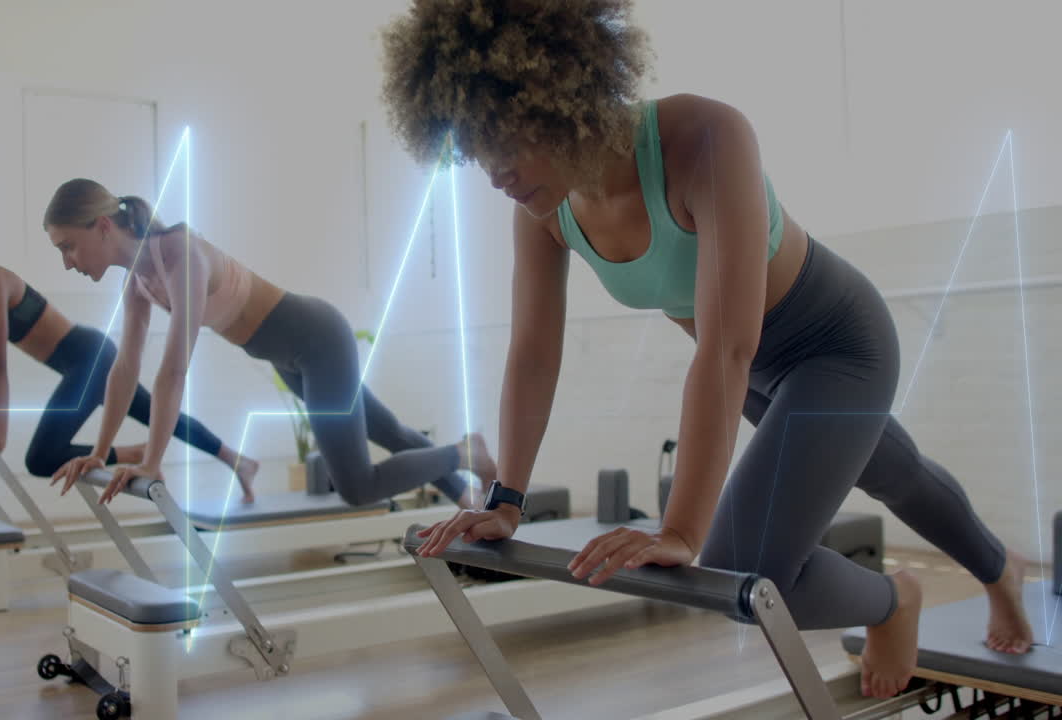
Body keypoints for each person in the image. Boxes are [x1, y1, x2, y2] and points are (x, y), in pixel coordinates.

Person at [381, 0, 1034, 699]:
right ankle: (999, 569)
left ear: (558, 95)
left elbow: (725, 347)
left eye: (502, 141)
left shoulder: (704, 138)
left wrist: (682, 530)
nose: (493, 173)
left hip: (838, 347)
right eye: (475, 151)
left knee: (741, 564)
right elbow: (534, 355)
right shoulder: (545, 212)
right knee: (897, 472)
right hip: (760, 373)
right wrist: (505, 500)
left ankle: (898, 598)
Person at [41, 179, 498, 509]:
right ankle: (468, 497)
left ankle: (463, 454)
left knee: (358, 486)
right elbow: (124, 370)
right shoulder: (138, 283)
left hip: (318, 341)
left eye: (68, 246)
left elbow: (174, 369)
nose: (67, 262)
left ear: (103, 226)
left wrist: (151, 462)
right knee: (391, 433)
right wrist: (98, 452)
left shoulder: (179, 252)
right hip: (291, 358)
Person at [0, 202, 259, 502]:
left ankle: (140, 452)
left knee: (41, 457)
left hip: (88, 358)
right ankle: (237, 460)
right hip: (84, 362)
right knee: (157, 413)